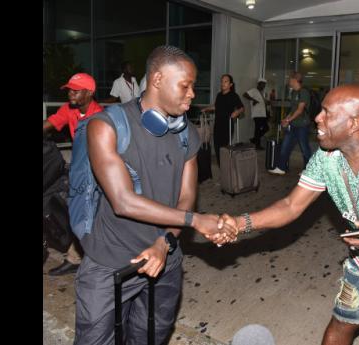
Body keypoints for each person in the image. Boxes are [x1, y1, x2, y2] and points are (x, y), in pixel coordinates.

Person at [215, 84, 359, 345]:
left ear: (353, 123)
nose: (317, 117)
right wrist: (238, 223)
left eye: (326, 113)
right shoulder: (326, 156)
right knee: (342, 323)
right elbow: (291, 205)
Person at [73, 45, 236, 345]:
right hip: (110, 263)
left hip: (165, 260)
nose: (192, 95)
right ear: (158, 79)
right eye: (185, 86)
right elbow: (122, 201)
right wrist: (195, 221)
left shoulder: (187, 133)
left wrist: (165, 242)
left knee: (150, 338)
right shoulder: (106, 126)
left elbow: (186, 197)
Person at [43, 72, 103, 276]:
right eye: (69, 89)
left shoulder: (100, 117)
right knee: (59, 205)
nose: (70, 93)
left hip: (96, 171)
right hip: (78, 168)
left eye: (75, 91)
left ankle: (95, 263)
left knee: (90, 216)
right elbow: (49, 124)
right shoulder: (69, 109)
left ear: (89, 93)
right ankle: (75, 256)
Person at [268, 71, 312, 175]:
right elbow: (293, 110)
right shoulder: (294, 92)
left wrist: (288, 120)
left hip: (303, 125)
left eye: (290, 79)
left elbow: (300, 110)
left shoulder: (304, 92)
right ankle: (281, 167)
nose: (288, 81)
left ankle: (309, 171)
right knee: (285, 145)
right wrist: (286, 119)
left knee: (304, 148)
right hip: (293, 125)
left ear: (295, 80)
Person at [201, 74, 244, 166]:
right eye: (222, 81)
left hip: (227, 126)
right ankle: (222, 168)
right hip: (217, 125)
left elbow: (241, 108)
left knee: (224, 148)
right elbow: (216, 107)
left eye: (226, 81)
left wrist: (236, 112)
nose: (223, 83)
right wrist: (207, 109)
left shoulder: (233, 95)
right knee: (217, 148)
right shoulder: (219, 95)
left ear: (231, 84)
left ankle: (226, 168)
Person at [243, 77, 269, 150]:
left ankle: (254, 140)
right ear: (259, 84)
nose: (264, 86)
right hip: (257, 114)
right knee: (259, 129)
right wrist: (253, 100)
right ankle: (257, 144)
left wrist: (266, 102)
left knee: (265, 128)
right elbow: (245, 94)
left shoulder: (261, 93)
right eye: (263, 85)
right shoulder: (254, 90)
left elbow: (262, 102)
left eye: (264, 85)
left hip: (262, 114)